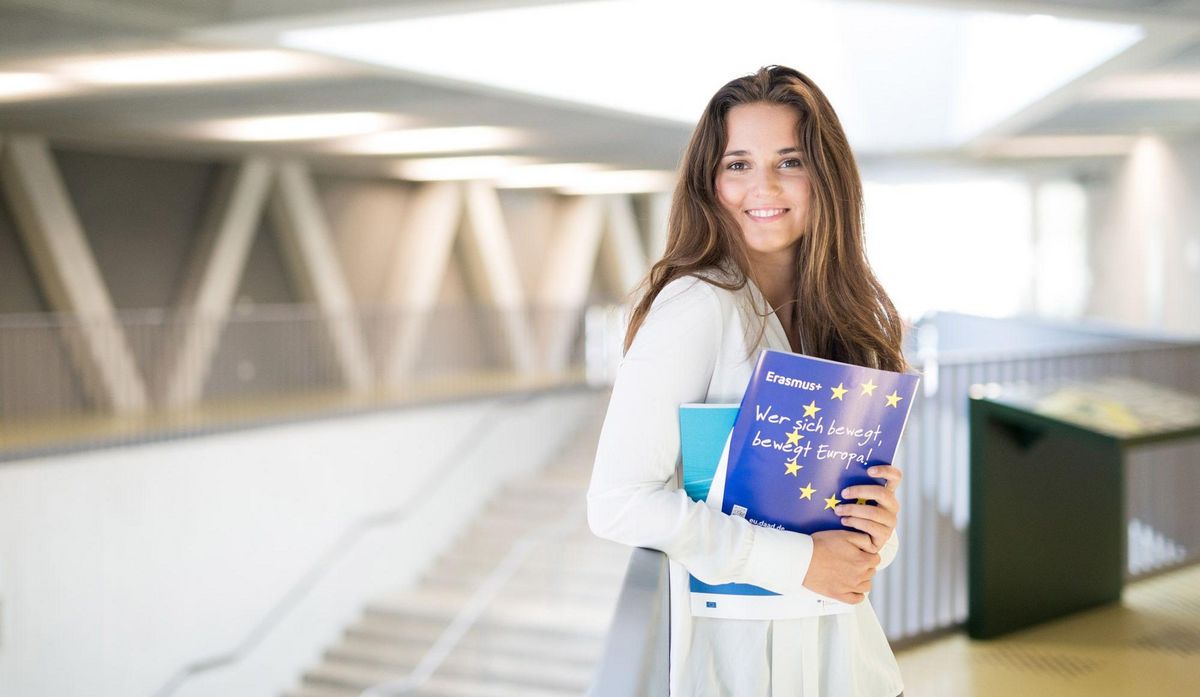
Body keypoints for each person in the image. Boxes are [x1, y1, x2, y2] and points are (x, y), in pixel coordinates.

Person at [586, 65, 909, 697]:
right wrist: (800, 562)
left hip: (852, 666)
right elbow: (617, 501)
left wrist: (877, 529)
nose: (762, 185)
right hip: (738, 670)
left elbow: (861, 552)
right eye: (737, 164)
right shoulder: (697, 307)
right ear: (709, 181)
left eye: (790, 161)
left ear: (826, 177)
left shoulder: (846, 321)